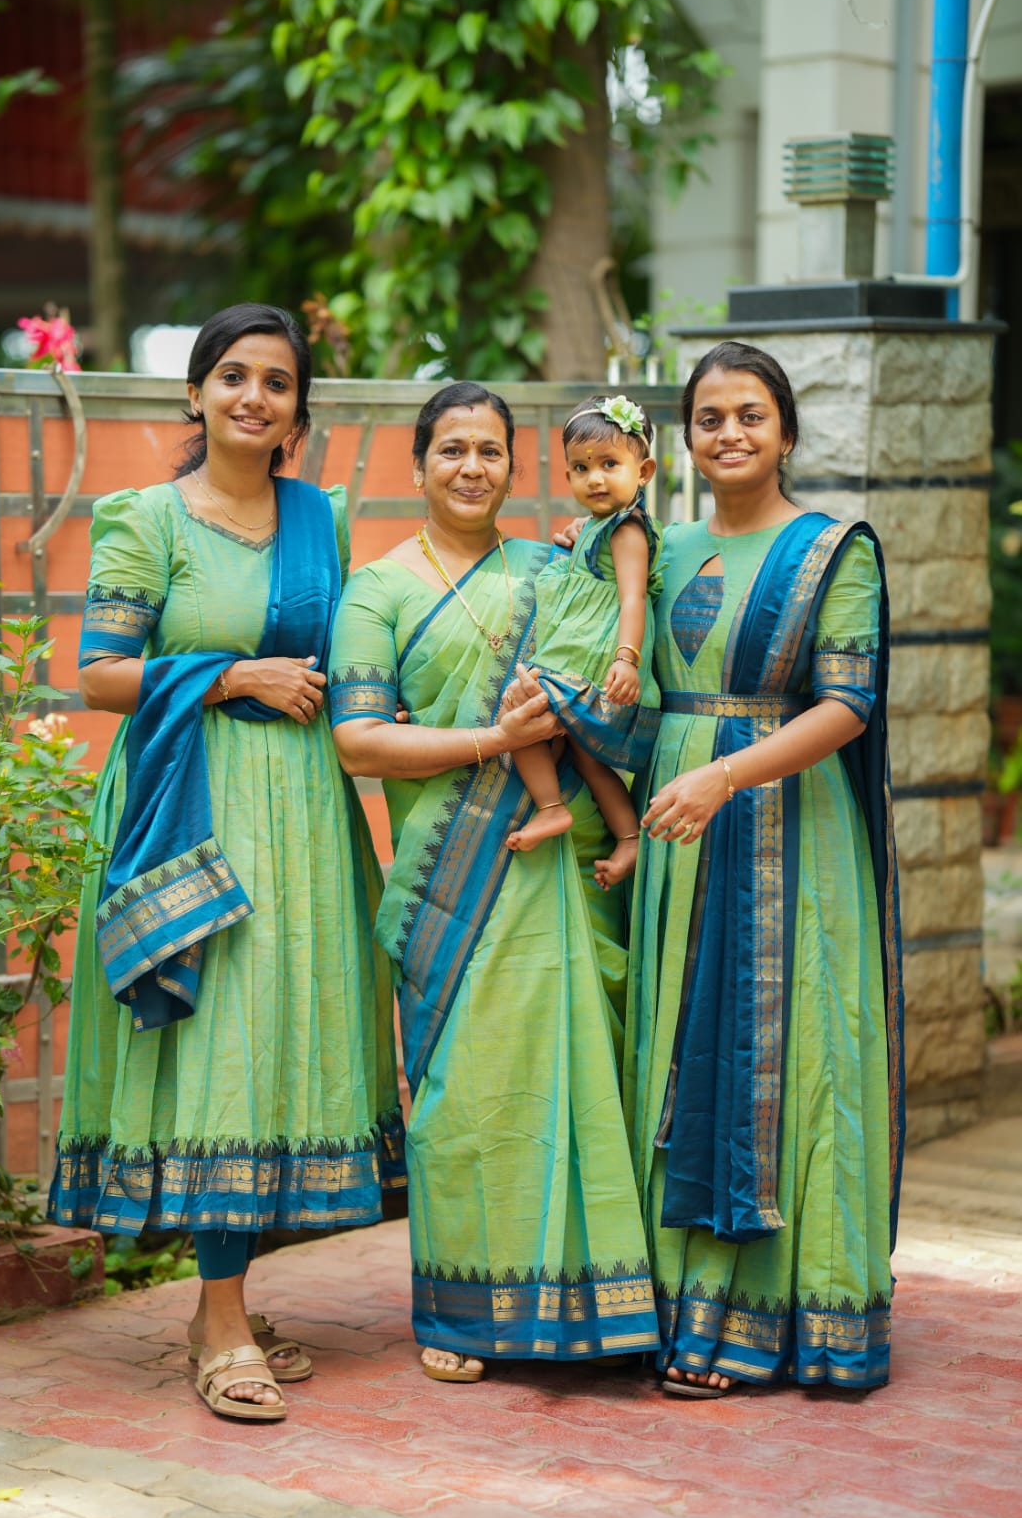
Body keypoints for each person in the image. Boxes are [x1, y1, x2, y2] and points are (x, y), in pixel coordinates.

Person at [48, 303, 403, 1424]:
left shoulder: (319, 520)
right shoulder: (144, 519)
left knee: (283, 1044)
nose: (255, 396)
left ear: (300, 408)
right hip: (190, 802)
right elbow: (100, 674)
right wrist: (232, 676)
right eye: (233, 376)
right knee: (217, 1048)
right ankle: (220, 1318)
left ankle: (229, 1303)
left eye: (278, 382)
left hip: (303, 810)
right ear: (195, 393)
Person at [328, 380, 659, 1382]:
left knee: (579, 1071)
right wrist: (491, 738)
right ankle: (463, 1312)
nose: (471, 465)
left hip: (562, 868)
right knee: (467, 1094)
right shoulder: (377, 588)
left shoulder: (557, 568)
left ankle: (597, 1302)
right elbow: (357, 739)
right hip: (450, 880)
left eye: (490, 450)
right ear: (418, 464)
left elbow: (621, 702)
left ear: (515, 468)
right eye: (451, 449)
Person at [624, 341, 904, 1395]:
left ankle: (775, 1317)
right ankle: (668, 1308)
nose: (729, 433)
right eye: (708, 418)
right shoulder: (659, 545)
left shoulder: (833, 549)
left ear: (786, 432)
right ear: (683, 438)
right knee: (671, 1046)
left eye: (751, 415)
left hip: (788, 829)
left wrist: (723, 779)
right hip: (674, 839)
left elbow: (846, 704)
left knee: (790, 1060)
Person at [504, 394, 660, 892]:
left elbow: (633, 598)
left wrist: (627, 659)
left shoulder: (626, 530)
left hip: (596, 661)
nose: (595, 478)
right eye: (580, 468)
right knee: (587, 757)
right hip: (579, 656)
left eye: (610, 464)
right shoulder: (595, 528)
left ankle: (551, 808)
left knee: (520, 712)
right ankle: (629, 836)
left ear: (644, 471)